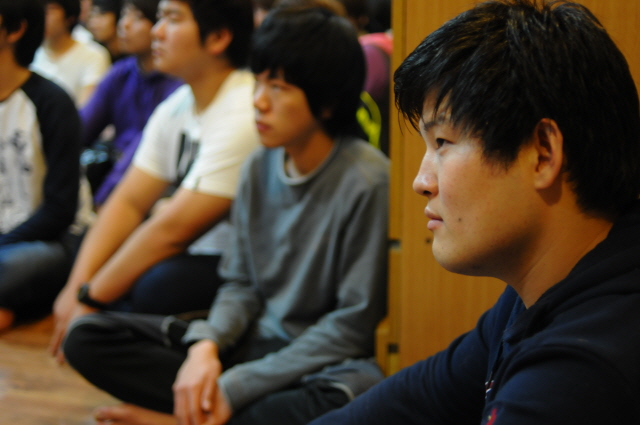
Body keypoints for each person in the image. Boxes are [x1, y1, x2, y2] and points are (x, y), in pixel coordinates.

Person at [309, 0, 640, 424]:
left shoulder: (582, 374)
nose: (421, 181)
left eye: (442, 143)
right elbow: (418, 398)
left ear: (542, 153)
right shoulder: (546, 291)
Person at [62, 6, 389, 425]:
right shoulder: (258, 166)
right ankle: (207, 410)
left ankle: (184, 416)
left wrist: (236, 386)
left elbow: (350, 326)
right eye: (258, 81)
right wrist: (207, 346)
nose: (259, 101)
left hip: (315, 363)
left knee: (343, 402)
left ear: (327, 103)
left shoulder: (367, 181)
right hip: (252, 343)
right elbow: (240, 284)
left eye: (279, 88)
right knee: (87, 337)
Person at [49, 0, 259, 360]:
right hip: (190, 255)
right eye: (158, 18)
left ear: (218, 37)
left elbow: (173, 230)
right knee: (87, 252)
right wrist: (76, 288)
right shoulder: (179, 103)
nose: (157, 32)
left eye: (172, 19)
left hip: (242, 271)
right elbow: (128, 202)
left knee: (156, 286)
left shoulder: (243, 107)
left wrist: (89, 297)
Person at [0, 0, 89, 331]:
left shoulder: (52, 102)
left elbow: (60, 211)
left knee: (18, 265)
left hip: (48, 240)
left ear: (15, 29)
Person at [80, 0, 182, 207]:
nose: (124, 24)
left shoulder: (177, 84)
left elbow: (141, 151)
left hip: (151, 187)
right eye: (125, 15)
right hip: (113, 176)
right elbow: (80, 129)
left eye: (138, 17)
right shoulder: (121, 73)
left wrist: (101, 203)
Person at [30, 0, 111, 106]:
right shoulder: (29, 53)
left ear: (70, 17)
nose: (42, 16)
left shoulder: (94, 55)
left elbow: (86, 109)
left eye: (50, 10)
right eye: (40, 9)